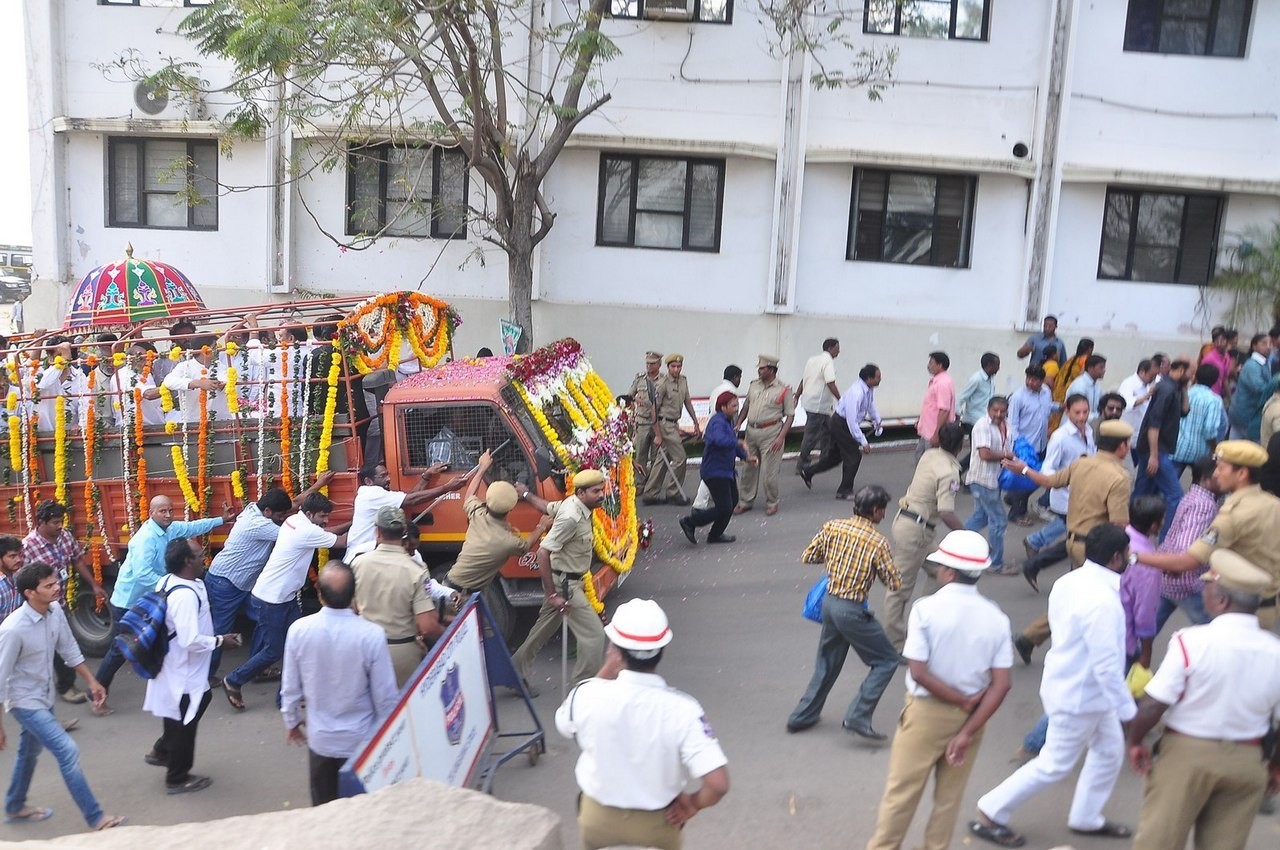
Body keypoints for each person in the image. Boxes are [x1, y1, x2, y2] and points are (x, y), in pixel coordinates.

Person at [970, 525, 1137, 848]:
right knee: (1054, 764)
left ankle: (1086, 817)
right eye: (1127, 554)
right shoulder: (1104, 602)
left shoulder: (1070, 582)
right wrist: (1129, 711)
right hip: (1082, 696)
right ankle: (991, 810)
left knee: (1108, 751)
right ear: (1117, 558)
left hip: (1075, 687)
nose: (1131, 558)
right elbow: (1106, 666)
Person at [865, 531, 1012, 850]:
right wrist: (967, 730)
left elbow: (918, 671)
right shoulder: (997, 618)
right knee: (948, 802)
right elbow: (1002, 684)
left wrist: (959, 699)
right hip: (973, 718)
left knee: (901, 796)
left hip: (925, 715)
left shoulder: (925, 609)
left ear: (948, 571)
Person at [1126, 550, 1280, 850]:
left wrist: (1135, 741)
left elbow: (1155, 704)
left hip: (1188, 756)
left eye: (1207, 588)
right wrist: (1274, 766)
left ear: (1222, 600)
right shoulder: (1276, 652)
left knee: (1159, 842)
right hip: (1247, 763)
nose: (1203, 594)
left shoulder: (1191, 641)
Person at [556, 599, 729, 850]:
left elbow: (563, 724)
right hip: (658, 825)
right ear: (662, 650)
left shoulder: (586, 695)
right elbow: (718, 784)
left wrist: (607, 668)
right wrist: (692, 805)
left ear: (614, 649)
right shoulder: (684, 708)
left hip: (598, 819)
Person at [0, 562, 124, 831]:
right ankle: (96, 818)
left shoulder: (55, 611)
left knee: (28, 752)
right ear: (30, 593)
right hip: (23, 701)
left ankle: (14, 805)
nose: (58, 588)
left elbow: (69, 650)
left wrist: (93, 682)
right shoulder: (12, 629)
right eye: (49, 585)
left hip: (44, 696)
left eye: (56, 582)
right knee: (67, 751)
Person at [1007, 420, 1133, 665]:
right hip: (1098, 551)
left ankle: (1030, 637)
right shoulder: (1119, 478)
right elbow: (1119, 525)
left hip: (1073, 542)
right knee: (1106, 600)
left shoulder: (1081, 463)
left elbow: (1049, 482)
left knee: (1076, 598)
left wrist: (1023, 469)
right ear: (1122, 447)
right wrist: (1131, 554)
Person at [786, 485, 902, 740]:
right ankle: (858, 715)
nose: (883, 515)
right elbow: (893, 583)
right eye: (882, 510)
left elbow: (809, 556)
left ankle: (801, 716)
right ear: (874, 510)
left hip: (829, 603)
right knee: (886, 660)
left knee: (827, 663)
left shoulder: (832, 527)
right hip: (851, 610)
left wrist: (836, 562)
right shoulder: (878, 542)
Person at [281, 562, 398, 806]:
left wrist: (291, 722)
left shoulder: (299, 631)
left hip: (321, 741)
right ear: (354, 594)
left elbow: (290, 687)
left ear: (320, 594)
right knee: (361, 814)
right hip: (361, 742)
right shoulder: (371, 634)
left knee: (324, 813)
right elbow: (385, 696)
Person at [96, 495, 231, 706]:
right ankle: (97, 693)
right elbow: (143, 574)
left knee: (162, 640)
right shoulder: (146, 538)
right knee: (120, 650)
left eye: (170, 510)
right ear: (151, 513)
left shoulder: (171, 528)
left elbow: (192, 528)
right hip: (129, 602)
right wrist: (171, 587)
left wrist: (220, 520)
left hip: (151, 599)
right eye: (162, 511)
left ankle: (175, 687)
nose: (168, 515)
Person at [1134, 439, 1280, 630]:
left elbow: (1187, 561)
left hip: (1240, 610)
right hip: (1266, 604)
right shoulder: (1272, 503)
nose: (1216, 474)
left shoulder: (1232, 516)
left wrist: (1135, 556)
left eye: (1221, 468)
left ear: (1242, 473)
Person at [222, 493, 350, 710]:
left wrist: (350, 522)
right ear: (309, 514)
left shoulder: (294, 520)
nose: (325, 520)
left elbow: (325, 532)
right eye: (322, 516)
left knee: (299, 643)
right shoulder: (306, 530)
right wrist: (364, 521)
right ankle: (234, 680)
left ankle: (287, 696)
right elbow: (341, 541)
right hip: (272, 600)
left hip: (282, 597)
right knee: (274, 650)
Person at [206, 478, 333, 677]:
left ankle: (258, 667)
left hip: (243, 584)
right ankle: (207, 675)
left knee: (262, 620)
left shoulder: (259, 509)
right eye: (281, 515)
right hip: (226, 583)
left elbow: (294, 505)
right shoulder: (258, 524)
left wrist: (318, 485)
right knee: (221, 629)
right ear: (267, 512)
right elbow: (298, 532)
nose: (285, 517)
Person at [142, 539, 241, 795]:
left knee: (186, 708)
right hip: (182, 669)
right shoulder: (184, 594)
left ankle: (162, 750)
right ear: (187, 561)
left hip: (176, 665)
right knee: (185, 720)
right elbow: (189, 640)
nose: (204, 558)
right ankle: (177, 777)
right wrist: (221, 641)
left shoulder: (170, 581)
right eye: (199, 555)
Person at [511, 469, 610, 694]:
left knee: (541, 631)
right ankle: (584, 690)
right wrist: (552, 595)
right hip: (565, 586)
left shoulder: (575, 504)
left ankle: (513, 671)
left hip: (565, 580)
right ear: (581, 493)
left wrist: (526, 495)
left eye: (601, 490)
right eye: (596, 491)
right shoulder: (571, 516)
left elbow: (547, 507)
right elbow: (542, 553)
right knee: (594, 634)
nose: (601, 495)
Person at [881, 422, 965, 651]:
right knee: (899, 590)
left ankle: (923, 620)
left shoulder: (929, 455)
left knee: (943, 573)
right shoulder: (950, 472)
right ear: (960, 445)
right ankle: (896, 645)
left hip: (912, 525)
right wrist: (967, 536)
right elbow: (947, 512)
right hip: (916, 532)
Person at [351, 507, 452, 685]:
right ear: (404, 532)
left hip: (364, 650)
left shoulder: (358, 563)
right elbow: (427, 626)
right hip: (402, 653)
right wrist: (450, 636)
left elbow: (351, 609)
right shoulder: (416, 571)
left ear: (377, 531)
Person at [22, 500, 106, 706]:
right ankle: (61, 688)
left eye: (61, 521)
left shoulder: (64, 536)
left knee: (63, 643)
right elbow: (22, 583)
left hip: (59, 603)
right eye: (55, 522)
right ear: (41, 522)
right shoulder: (28, 547)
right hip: (39, 608)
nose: (60, 526)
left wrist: (94, 585)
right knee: (52, 646)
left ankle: (61, 686)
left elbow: (76, 560)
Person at [445, 449, 552, 596]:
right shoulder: (508, 541)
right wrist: (542, 526)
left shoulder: (478, 515)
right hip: (460, 596)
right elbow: (525, 546)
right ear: (511, 508)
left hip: (451, 585)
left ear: (487, 502)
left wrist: (482, 468)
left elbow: (469, 495)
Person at [1021, 394, 1095, 592]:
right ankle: (1039, 561)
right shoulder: (1060, 437)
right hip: (1067, 496)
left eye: (1085, 412)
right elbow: (1048, 469)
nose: (1081, 417)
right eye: (1077, 412)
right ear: (1068, 411)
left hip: (1085, 496)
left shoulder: (1088, 431)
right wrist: (1064, 482)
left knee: (1076, 536)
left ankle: (1036, 555)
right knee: (1080, 538)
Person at [344, 462, 461, 563]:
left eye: (387, 475)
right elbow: (412, 500)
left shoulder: (373, 494)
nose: (388, 479)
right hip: (361, 555)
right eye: (383, 476)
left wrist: (426, 476)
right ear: (368, 481)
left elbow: (410, 497)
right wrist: (447, 487)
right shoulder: (372, 494)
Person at [1154, 455, 1220, 633]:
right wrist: (1178, 568)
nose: (1223, 477)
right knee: (1214, 630)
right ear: (1206, 480)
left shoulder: (1193, 495)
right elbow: (1186, 546)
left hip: (1167, 578)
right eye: (1218, 475)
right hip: (1185, 581)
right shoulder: (1204, 505)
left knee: (1148, 629)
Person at [800, 363, 883, 499]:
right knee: (854, 456)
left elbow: (870, 404)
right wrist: (863, 441)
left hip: (843, 423)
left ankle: (808, 472)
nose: (880, 379)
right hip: (841, 424)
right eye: (878, 377)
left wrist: (877, 420)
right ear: (869, 378)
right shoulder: (856, 393)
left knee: (835, 457)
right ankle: (844, 490)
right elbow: (851, 421)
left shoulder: (868, 389)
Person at [680, 391, 753, 545]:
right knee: (724, 507)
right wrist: (739, 442)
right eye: (733, 406)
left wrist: (746, 457)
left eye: (737, 405)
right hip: (715, 471)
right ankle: (690, 522)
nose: (736, 409)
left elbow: (730, 445)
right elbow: (721, 441)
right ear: (723, 407)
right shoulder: (717, 422)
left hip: (726, 471)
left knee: (732, 502)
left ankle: (715, 535)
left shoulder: (728, 421)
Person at [1133, 358, 1188, 539]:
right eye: (1190, 373)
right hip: (1155, 450)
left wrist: (1185, 386)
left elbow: (1184, 411)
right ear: (1180, 370)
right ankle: (1167, 540)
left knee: (1143, 490)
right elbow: (1154, 424)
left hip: (1156, 449)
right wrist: (1154, 456)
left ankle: (1133, 531)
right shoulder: (1166, 390)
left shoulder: (1174, 388)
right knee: (1175, 496)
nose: (1193, 376)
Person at [734, 354, 794, 516]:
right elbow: (746, 406)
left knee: (769, 472)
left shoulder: (783, 389)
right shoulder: (754, 385)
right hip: (751, 432)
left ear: (772, 369)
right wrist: (739, 423)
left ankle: (772, 501)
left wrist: (781, 437)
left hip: (771, 434)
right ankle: (745, 501)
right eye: (759, 368)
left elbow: (790, 415)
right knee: (748, 469)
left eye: (762, 368)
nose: (759, 371)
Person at [643, 353, 702, 506]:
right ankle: (673, 493)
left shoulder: (683, 380)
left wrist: (695, 422)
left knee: (662, 459)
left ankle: (650, 493)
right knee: (680, 458)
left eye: (679, 366)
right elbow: (654, 410)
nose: (676, 369)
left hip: (674, 424)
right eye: (673, 366)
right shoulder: (662, 384)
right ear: (668, 367)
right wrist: (657, 434)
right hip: (664, 424)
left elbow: (687, 401)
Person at [964, 397, 1012, 573]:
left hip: (993, 479)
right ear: (988, 410)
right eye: (995, 411)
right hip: (983, 480)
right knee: (999, 521)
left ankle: (956, 543)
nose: (998, 414)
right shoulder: (982, 426)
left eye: (1002, 411)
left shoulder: (1007, 425)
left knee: (981, 517)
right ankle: (996, 563)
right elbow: (984, 454)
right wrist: (1008, 455)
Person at [1006, 366, 1057, 527]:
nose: (1030, 382)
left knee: (1038, 477)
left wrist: (1061, 406)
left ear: (1041, 381)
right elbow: (1012, 425)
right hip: (1026, 448)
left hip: (1041, 444)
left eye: (1034, 380)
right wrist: (1017, 447)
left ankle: (1013, 497)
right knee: (1026, 480)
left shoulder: (1046, 393)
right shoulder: (1018, 397)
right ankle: (1016, 513)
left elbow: (1048, 407)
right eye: (1028, 378)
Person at [1120, 496, 1166, 670]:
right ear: (1153, 526)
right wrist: (1146, 654)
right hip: (1124, 641)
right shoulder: (1148, 564)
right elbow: (1144, 614)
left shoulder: (1121, 537)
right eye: (1162, 518)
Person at [162, 335, 232, 423]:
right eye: (214, 347)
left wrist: (221, 385)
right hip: (194, 421)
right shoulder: (185, 366)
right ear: (204, 350)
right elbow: (168, 381)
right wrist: (197, 383)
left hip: (221, 420)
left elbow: (227, 381)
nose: (217, 350)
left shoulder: (220, 366)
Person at [795, 339, 841, 473]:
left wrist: (797, 396)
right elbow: (830, 383)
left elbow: (804, 380)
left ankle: (825, 458)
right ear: (831, 348)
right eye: (837, 348)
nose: (839, 351)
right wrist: (841, 399)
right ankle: (802, 463)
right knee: (811, 435)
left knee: (829, 431)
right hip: (818, 404)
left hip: (813, 403)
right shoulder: (828, 362)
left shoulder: (812, 360)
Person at [1173, 362, 1223, 474]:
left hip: (1177, 447)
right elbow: (1210, 430)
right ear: (1215, 381)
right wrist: (1214, 448)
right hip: (1199, 452)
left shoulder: (1186, 393)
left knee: (1169, 486)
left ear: (1196, 376)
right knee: (1199, 485)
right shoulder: (1214, 400)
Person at [956, 353, 1000, 476]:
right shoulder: (976, 379)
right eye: (997, 365)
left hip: (985, 420)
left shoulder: (990, 379)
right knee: (978, 452)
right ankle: (962, 473)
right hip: (973, 421)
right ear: (989, 365)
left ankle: (960, 472)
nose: (998, 368)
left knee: (979, 451)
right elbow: (961, 397)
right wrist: (958, 416)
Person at [1228, 332, 1275, 440]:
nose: (1268, 347)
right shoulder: (1252, 365)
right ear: (1254, 346)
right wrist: (1275, 387)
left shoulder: (1264, 362)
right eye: (1264, 343)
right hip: (1245, 414)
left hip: (1246, 413)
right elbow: (1259, 388)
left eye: (1270, 343)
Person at [629, 351, 663, 495]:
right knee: (640, 455)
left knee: (656, 458)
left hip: (658, 424)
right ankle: (639, 483)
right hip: (642, 422)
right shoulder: (640, 379)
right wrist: (637, 401)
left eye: (652, 363)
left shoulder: (663, 380)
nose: (649, 366)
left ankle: (652, 485)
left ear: (659, 365)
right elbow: (630, 395)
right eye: (647, 363)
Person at [914, 352, 955, 463]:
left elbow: (944, 410)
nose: (928, 366)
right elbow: (932, 406)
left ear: (940, 365)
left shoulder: (943, 384)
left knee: (931, 463)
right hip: (927, 431)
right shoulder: (937, 381)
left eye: (931, 363)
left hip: (933, 432)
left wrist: (936, 434)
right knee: (921, 458)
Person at [1050, 338, 1094, 431]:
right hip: (1071, 390)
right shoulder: (1084, 360)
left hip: (1060, 390)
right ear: (1090, 349)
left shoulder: (1072, 359)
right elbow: (1083, 375)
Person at [1116, 359, 1159, 446]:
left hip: (1142, 433)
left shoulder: (1148, 385)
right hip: (1129, 433)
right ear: (1143, 372)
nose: (1153, 379)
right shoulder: (1129, 384)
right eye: (1152, 376)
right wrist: (1146, 397)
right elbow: (1126, 403)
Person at [1066, 354, 1107, 421]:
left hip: (1089, 424)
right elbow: (1078, 409)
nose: (1104, 370)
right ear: (1090, 368)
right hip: (1075, 423)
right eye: (1101, 367)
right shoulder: (1079, 385)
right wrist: (1099, 417)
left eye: (1104, 367)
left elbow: (1103, 402)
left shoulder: (1096, 385)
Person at [1199, 326, 1234, 397]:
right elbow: (1201, 378)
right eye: (1216, 341)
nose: (1219, 343)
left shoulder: (1227, 357)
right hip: (1208, 394)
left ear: (1227, 341)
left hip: (1219, 393)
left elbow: (1225, 379)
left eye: (1222, 340)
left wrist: (1230, 399)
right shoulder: (1209, 358)